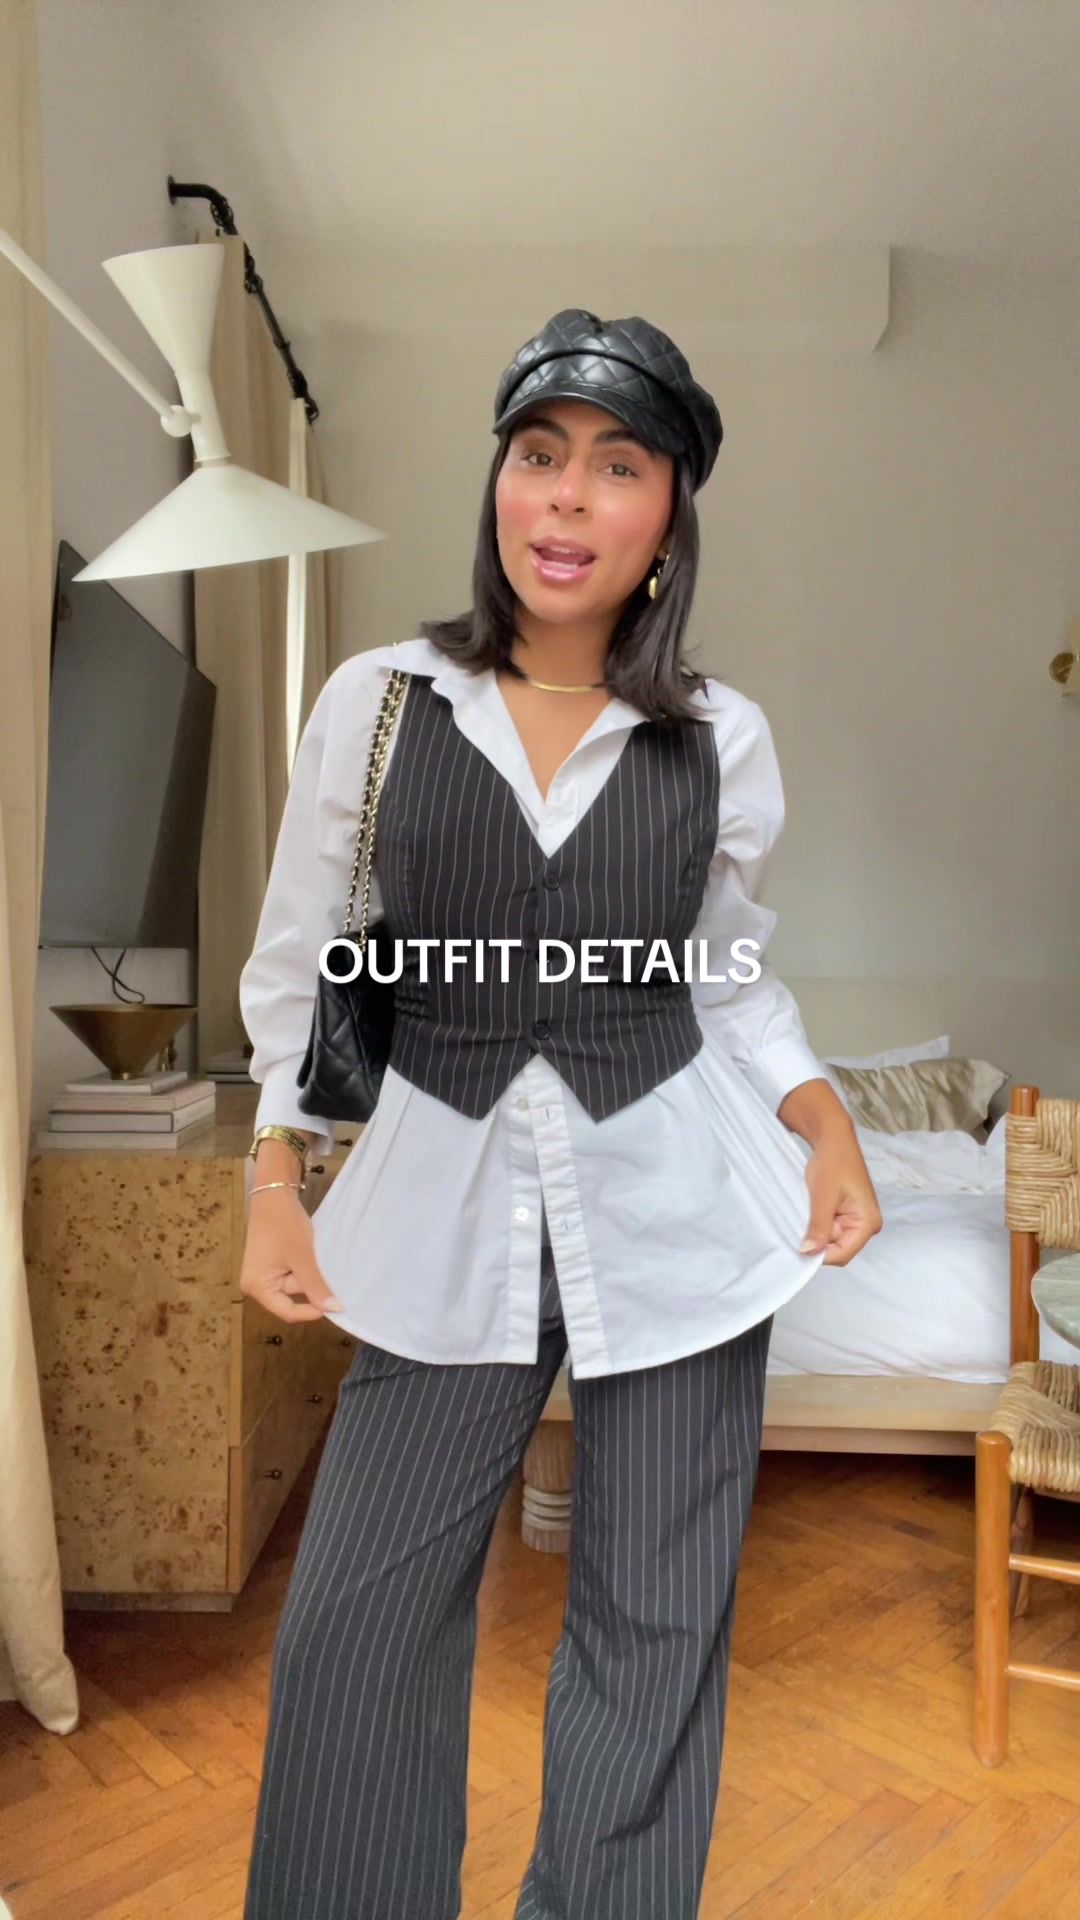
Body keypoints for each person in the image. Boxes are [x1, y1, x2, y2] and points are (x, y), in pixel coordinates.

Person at [237, 307, 882, 1920]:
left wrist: (826, 1124)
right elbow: (307, 962)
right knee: (355, 1629)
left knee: (655, 1631)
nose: (569, 498)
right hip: (434, 1208)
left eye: (618, 467)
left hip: (678, 1215)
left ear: (669, 518)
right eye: (540, 456)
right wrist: (273, 1179)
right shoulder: (383, 702)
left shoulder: (716, 737)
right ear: (499, 484)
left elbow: (727, 980)